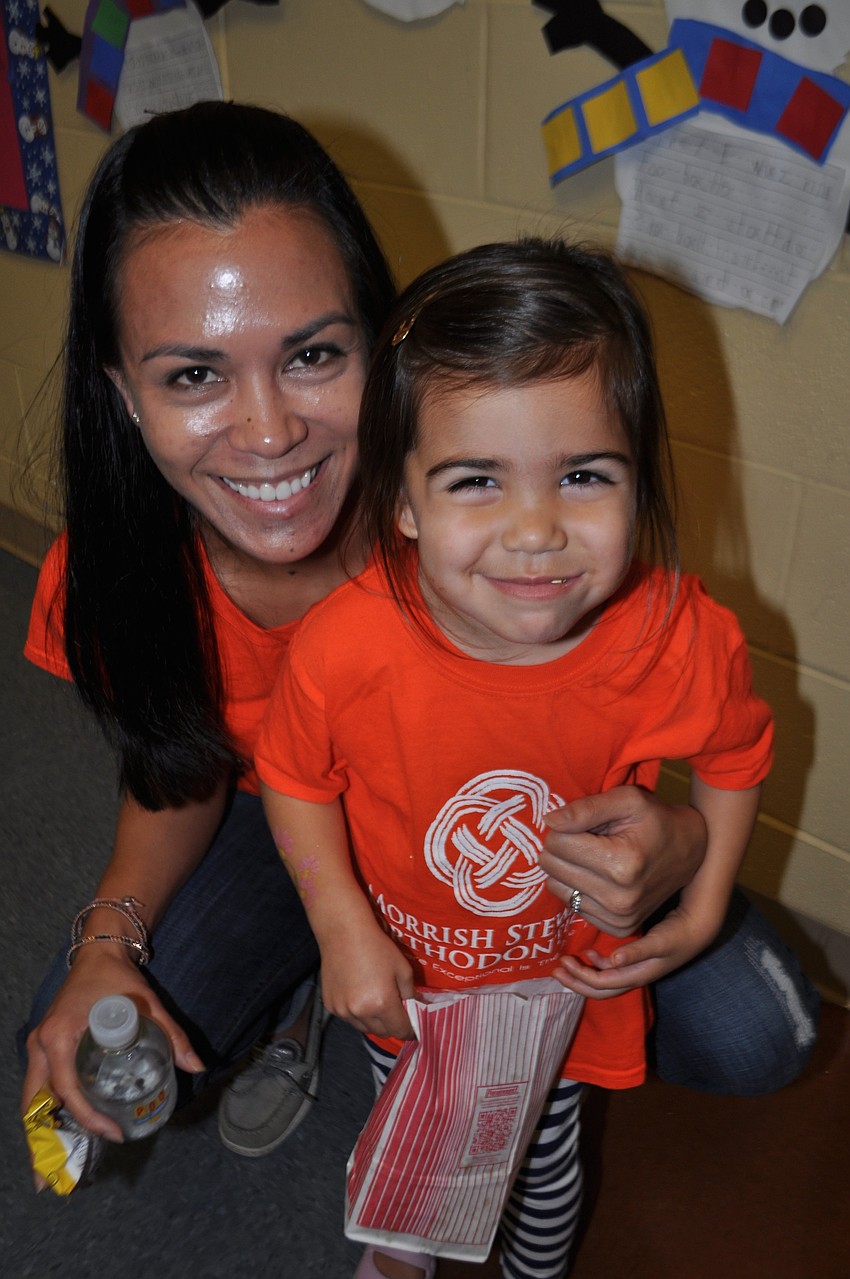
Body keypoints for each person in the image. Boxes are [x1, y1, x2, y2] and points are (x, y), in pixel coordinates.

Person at [18, 103, 816, 1170]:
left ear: (383, 345)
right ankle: (308, 986)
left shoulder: (501, 536)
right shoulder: (112, 572)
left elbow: (636, 708)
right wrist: (107, 939)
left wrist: (685, 841)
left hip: (506, 833)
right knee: (86, 1052)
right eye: (194, 375)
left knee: (761, 1034)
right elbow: (181, 767)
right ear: (123, 393)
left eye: (313, 354)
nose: (269, 432)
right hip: (286, 819)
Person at [253, 237, 781, 1279]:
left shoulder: (676, 636)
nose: (535, 530)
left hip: (560, 996)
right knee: (414, 1130)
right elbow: (293, 777)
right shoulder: (346, 647)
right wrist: (340, 926)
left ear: (639, 477)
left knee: (541, 1161)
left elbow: (736, 752)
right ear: (403, 503)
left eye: (582, 475)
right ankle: (400, 1253)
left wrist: (704, 904)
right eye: (475, 480)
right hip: (410, 983)